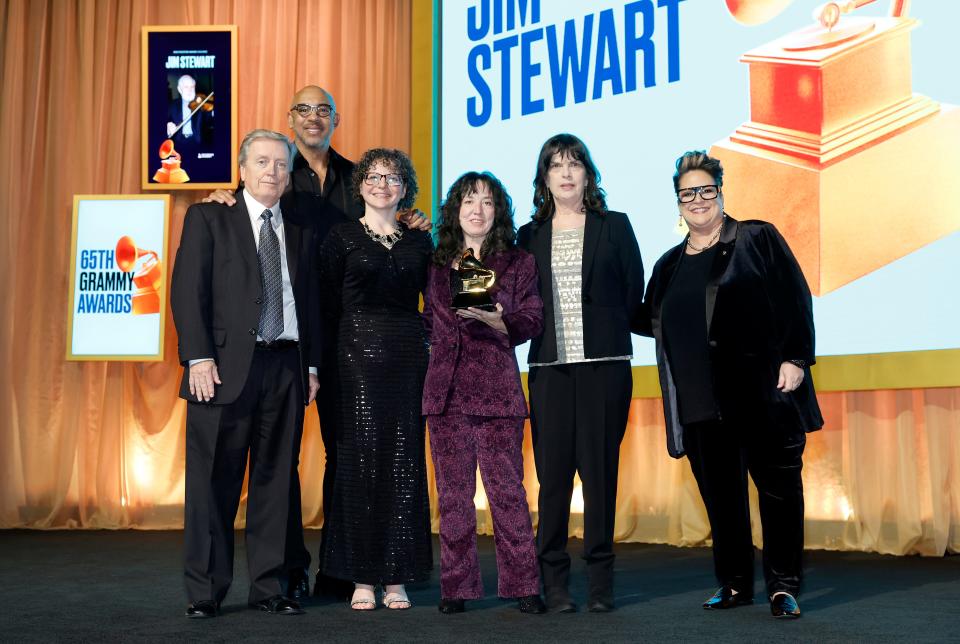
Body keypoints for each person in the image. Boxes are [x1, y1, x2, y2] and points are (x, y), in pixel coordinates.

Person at [203, 86, 429, 601]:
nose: (313, 118)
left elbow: (390, 229)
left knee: (342, 457)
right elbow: (251, 210)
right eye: (303, 109)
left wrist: (413, 218)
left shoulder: (357, 175)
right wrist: (226, 195)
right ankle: (293, 570)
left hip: (367, 347)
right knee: (291, 465)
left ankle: (343, 568)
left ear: (336, 119)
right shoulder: (278, 171)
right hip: (311, 343)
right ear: (290, 119)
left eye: (322, 109)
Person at [637, 150, 823, 619]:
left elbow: (795, 297)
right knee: (723, 503)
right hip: (701, 405)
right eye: (687, 193)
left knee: (779, 495)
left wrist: (797, 358)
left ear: (721, 192)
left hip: (763, 396)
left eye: (706, 190)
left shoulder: (757, 238)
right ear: (677, 202)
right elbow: (648, 319)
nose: (697, 199)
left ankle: (782, 585)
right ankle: (735, 583)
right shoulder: (667, 265)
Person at [171, 129, 320, 618]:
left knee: (277, 481)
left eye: (281, 164)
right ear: (242, 169)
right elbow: (187, 292)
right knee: (212, 482)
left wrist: (311, 364)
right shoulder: (208, 217)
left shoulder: (300, 228)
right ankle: (204, 592)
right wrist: (197, 357)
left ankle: (269, 587)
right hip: (220, 370)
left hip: (286, 367)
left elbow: (313, 305)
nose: (272, 172)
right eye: (262, 162)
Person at [517, 133, 644, 613]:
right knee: (552, 479)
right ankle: (552, 579)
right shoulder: (528, 236)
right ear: (544, 177)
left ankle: (600, 583)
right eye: (556, 165)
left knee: (600, 476)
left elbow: (633, 292)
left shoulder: (615, 226)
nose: (566, 173)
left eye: (575, 164)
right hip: (550, 371)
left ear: (588, 174)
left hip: (604, 370)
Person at [422, 171, 546, 615]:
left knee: (507, 493)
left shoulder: (518, 262)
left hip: (497, 394)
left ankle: (524, 585)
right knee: (453, 496)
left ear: (499, 212)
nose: (478, 209)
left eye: (488, 202)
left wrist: (500, 321)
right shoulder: (435, 263)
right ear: (455, 210)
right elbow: (427, 323)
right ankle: (456, 588)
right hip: (446, 395)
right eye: (469, 200)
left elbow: (533, 318)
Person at [318, 148, 433, 610]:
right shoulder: (340, 237)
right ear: (360, 183)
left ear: (406, 188)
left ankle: (397, 577)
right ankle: (362, 576)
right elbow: (326, 307)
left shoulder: (420, 240)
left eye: (393, 177)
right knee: (360, 464)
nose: (382, 183)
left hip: (408, 358)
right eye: (373, 175)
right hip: (353, 359)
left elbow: (437, 301)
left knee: (403, 463)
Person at [165, 74, 213, 152]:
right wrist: (167, 127)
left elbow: (210, 119)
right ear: (179, 89)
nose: (190, 90)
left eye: (192, 87)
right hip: (177, 144)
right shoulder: (171, 106)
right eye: (186, 87)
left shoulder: (201, 104)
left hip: (198, 143)